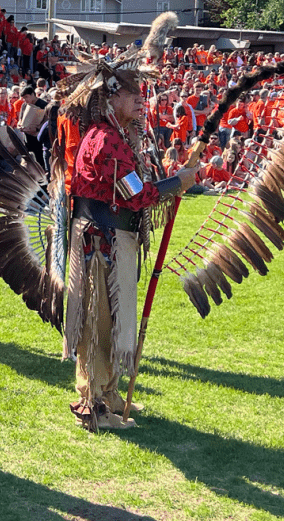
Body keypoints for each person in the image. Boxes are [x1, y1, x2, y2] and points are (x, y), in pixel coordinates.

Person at [60, 50, 196, 431]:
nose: (140, 98)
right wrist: (177, 183)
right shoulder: (106, 141)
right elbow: (135, 195)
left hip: (110, 240)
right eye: (132, 92)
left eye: (141, 92)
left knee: (113, 322)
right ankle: (96, 407)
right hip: (101, 243)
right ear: (109, 99)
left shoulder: (117, 136)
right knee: (99, 324)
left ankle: (110, 394)